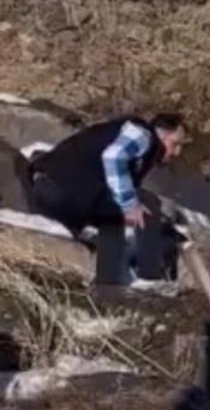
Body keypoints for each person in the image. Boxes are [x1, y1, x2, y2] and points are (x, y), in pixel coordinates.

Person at [26, 113, 186, 288]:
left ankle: (116, 278)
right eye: (175, 144)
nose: (177, 153)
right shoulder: (142, 134)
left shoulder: (137, 147)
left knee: (131, 208)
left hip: (57, 187)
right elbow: (114, 158)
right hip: (59, 187)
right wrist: (130, 205)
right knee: (138, 206)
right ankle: (130, 281)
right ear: (160, 132)